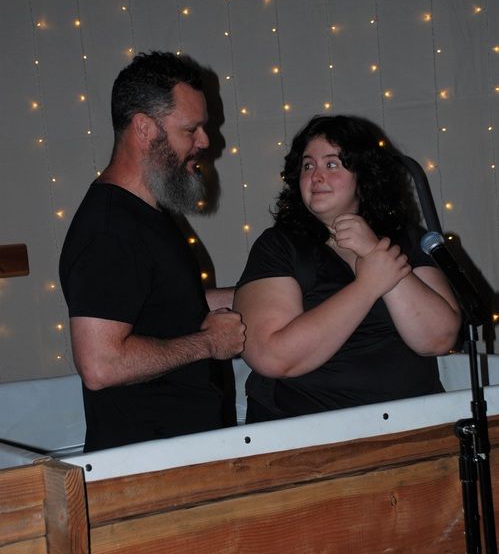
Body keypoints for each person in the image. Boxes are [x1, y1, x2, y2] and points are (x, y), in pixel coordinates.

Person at [59, 51, 246, 451]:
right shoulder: (110, 230)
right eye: (190, 129)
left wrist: (265, 293)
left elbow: (170, 309)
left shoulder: (144, 214)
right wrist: (208, 344)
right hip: (149, 469)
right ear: (144, 128)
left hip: (174, 457)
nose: (205, 141)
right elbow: (101, 364)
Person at [234, 115, 462, 423]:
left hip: (412, 426)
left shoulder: (405, 237)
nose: (316, 176)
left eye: (331, 164)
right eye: (307, 166)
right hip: (309, 432)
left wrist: (374, 251)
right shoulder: (279, 245)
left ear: (362, 176)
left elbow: (439, 338)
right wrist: (367, 287)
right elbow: (272, 356)